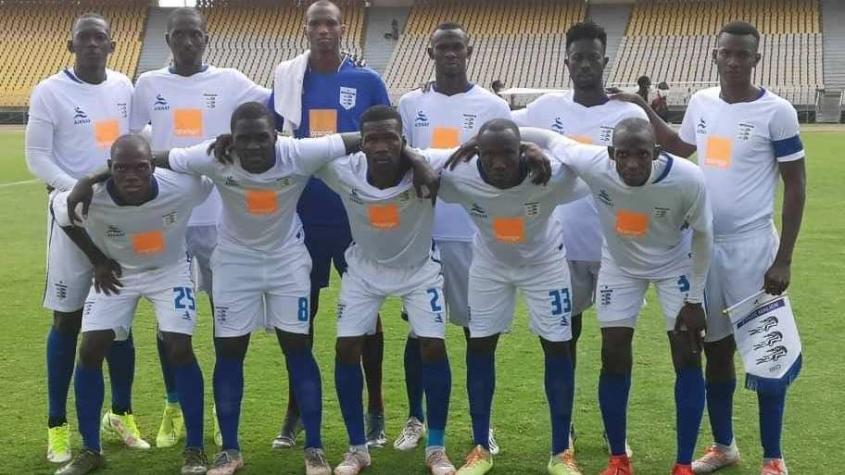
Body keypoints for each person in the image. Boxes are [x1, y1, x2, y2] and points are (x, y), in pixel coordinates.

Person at [614, 21, 806, 475]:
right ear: (715, 55)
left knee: (766, 350)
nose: (734, 61)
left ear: (756, 59)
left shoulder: (777, 112)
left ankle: (773, 457)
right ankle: (724, 446)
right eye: (726, 53)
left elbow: (796, 185)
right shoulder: (701, 102)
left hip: (753, 249)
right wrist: (641, 105)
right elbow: (679, 147)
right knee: (715, 351)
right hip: (703, 248)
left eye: (743, 54)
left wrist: (783, 259)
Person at [145, 102, 361, 475]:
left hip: (287, 261)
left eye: (262, 137)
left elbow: (363, 137)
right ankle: (230, 450)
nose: (254, 146)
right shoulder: (215, 156)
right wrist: (92, 178)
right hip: (234, 262)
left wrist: (414, 158)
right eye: (244, 139)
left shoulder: (298, 152)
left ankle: (314, 448)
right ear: (231, 139)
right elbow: (156, 158)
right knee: (229, 350)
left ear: (275, 136)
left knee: (297, 346)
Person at [521, 119, 713, 475]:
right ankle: (618, 460)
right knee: (613, 354)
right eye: (623, 155)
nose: (632, 164)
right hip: (620, 266)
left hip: (675, 264)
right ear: (611, 153)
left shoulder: (687, 178)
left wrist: (695, 298)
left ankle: (684, 464)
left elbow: (704, 235)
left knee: (687, 355)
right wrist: (490, 139)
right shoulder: (595, 162)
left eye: (642, 155)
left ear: (656, 152)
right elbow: (549, 137)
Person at [131, 6, 270, 449]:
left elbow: (278, 103)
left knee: (223, 314)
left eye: (195, 34)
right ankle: (174, 403)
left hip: (219, 218)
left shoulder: (231, 81)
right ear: (168, 40)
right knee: (169, 320)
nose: (188, 42)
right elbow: (130, 140)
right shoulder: (148, 84)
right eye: (180, 35)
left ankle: (217, 407)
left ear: (206, 38)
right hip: (167, 218)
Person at [511, 21, 648, 459]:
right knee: (561, 343)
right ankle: (564, 428)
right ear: (566, 62)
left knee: (616, 348)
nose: (586, 64)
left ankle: (614, 429)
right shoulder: (544, 109)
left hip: (615, 250)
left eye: (593, 57)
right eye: (578, 58)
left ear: (605, 61)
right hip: (560, 248)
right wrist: (527, 150)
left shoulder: (627, 115)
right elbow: (496, 130)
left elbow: (661, 161)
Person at [269, 0, 392, 448]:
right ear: (305, 30)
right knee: (301, 314)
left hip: (355, 216)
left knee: (367, 314)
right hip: (304, 215)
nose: (323, 30)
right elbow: (268, 132)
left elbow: (391, 136)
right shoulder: (290, 80)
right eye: (315, 23)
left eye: (330, 23)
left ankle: (375, 408)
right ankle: (296, 409)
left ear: (343, 28)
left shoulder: (367, 80)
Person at [51, 135, 212, 475]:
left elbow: (209, 171)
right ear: (110, 169)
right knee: (91, 348)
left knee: (179, 346)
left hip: (169, 271)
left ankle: (195, 449)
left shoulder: (182, 188)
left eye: (140, 167)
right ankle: (91, 449)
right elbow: (60, 213)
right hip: (118, 273)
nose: (132, 176)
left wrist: (91, 174)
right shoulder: (91, 196)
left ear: (152, 165)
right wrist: (96, 259)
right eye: (121, 169)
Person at [25, 12, 145, 464]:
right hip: (70, 218)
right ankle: (57, 425)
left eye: (101, 38)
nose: (93, 44)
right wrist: (76, 189)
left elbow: (137, 139)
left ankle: (121, 413)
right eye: (85, 38)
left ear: (113, 46)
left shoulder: (124, 87)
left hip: (117, 220)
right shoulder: (49, 91)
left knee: (119, 324)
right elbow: (37, 156)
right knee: (67, 320)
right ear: (71, 45)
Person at [441, 119, 588, 475]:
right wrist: (466, 141)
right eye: (488, 154)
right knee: (479, 345)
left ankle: (560, 453)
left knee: (558, 346)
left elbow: (588, 159)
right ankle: (480, 448)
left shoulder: (551, 174)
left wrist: (532, 142)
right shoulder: (459, 174)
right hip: (489, 266)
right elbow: (408, 155)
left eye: (508, 152)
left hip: (545, 265)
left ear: (520, 151)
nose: (498, 163)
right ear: (476, 152)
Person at [318, 105, 455, 475]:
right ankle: (357, 449)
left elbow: (476, 148)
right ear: (361, 143)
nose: (381, 146)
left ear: (403, 141)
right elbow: (293, 151)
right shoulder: (342, 170)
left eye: (390, 138)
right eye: (372, 139)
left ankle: (436, 448)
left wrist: (418, 160)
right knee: (346, 347)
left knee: (433, 345)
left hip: (419, 269)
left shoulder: (429, 161)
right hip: (364, 270)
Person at [395, 21, 510, 454]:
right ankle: (415, 418)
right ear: (430, 53)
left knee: (477, 332)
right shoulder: (411, 103)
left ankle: (483, 425)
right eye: (441, 47)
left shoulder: (493, 105)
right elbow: (402, 156)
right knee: (420, 333)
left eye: (456, 47)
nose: (449, 54)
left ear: (469, 51)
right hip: (423, 233)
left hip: (473, 234)